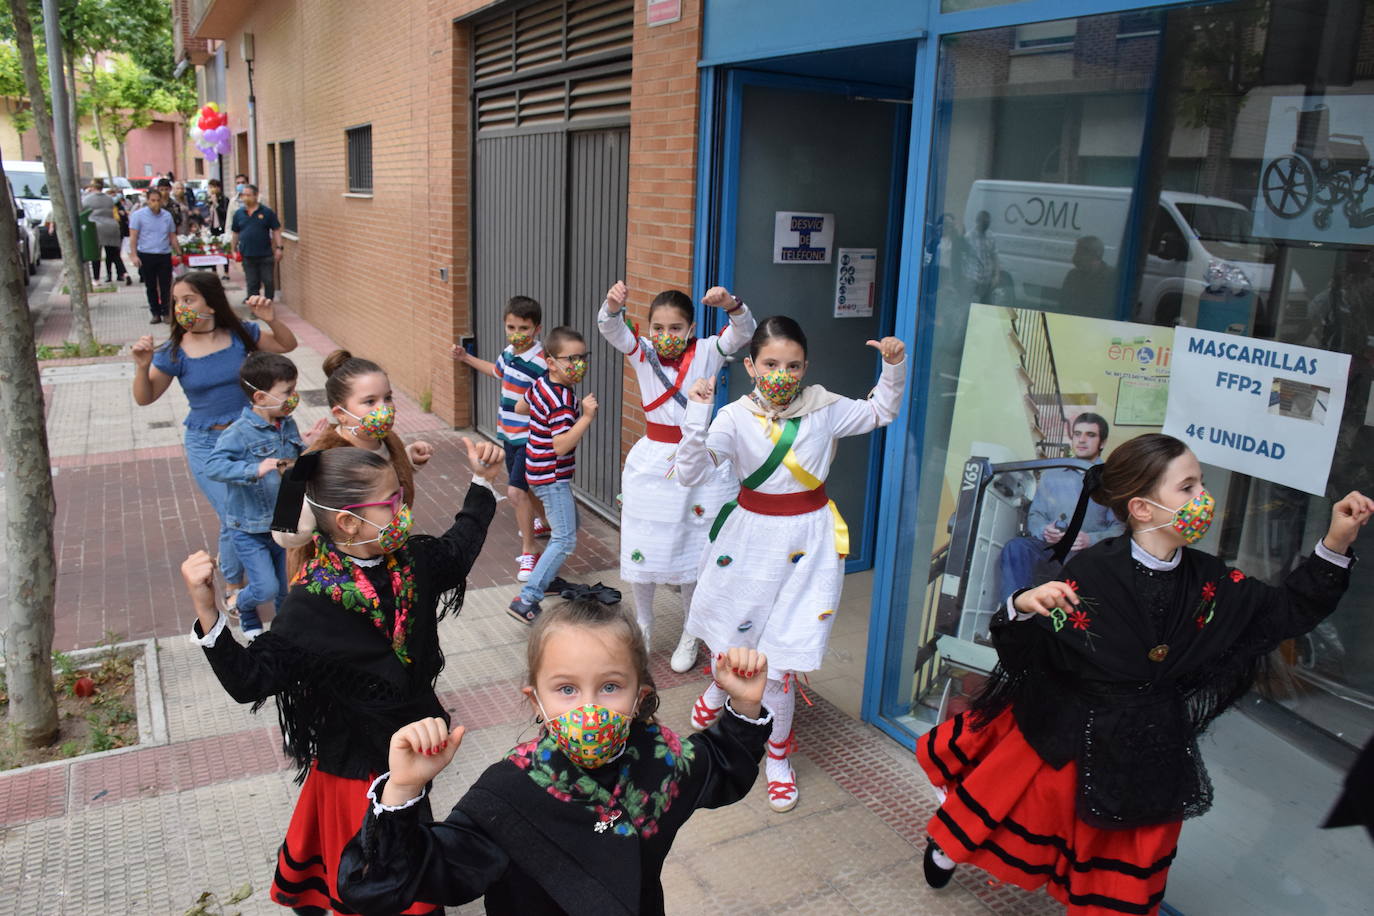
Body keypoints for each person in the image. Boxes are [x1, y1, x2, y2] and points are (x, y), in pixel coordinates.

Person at [916, 433, 1373, 913]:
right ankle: (948, 848)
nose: (1205, 499)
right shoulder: (1089, 573)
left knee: (1129, 861)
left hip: (1151, 747)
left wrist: (1336, 541)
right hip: (1069, 735)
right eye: (1189, 488)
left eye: (1201, 485)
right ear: (1142, 508)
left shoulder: (1213, 579)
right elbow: (1026, 657)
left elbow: (1284, 612)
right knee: (1019, 815)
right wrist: (1021, 607)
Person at [179, 441, 501, 915]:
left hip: (412, 745)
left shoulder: (412, 562)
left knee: (409, 846)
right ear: (349, 521)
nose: (403, 511)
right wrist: (207, 611)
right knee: (375, 880)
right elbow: (249, 679)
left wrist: (481, 482)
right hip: (356, 768)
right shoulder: (311, 604)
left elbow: (459, 548)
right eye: (392, 504)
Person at [335, 599, 773, 915]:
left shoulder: (661, 762)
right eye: (566, 689)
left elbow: (720, 767)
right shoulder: (507, 794)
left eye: (609, 687)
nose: (588, 708)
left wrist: (746, 706)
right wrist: (403, 789)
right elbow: (382, 885)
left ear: (639, 697)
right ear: (535, 700)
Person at [675, 317, 907, 813]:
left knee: (778, 662)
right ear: (751, 365)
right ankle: (720, 685)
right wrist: (697, 410)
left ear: (806, 367)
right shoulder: (733, 417)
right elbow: (692, 471)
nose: (782, 373)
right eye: (771, 364)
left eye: (793, 365)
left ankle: (776, 755)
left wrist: (892, 366)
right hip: (748, 540)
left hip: (810, 542)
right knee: (735, 636)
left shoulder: (824, 409)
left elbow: (881, 412)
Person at [597, 280, 755, 671]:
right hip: (652, 461)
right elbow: (610, 328)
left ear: (690, 327)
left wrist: (732, 304)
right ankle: (645, 627)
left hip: (699, 458)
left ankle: (690, 631)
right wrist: (612, 306)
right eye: (659, 328)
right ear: (649, 329)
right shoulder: (642, 350)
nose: (666, 336)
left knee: (695, 548)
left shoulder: (707, 349)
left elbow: (743, 332)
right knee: (645, 544)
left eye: (675, 328)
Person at [131, 273, 298, 609]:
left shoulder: (241, 334)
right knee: (231, 512)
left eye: (188, 299)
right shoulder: (174, 353)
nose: (181, 307)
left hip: (254, 437)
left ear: (210, 300)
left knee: (271, 507)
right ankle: (235, 584)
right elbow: (145, 398)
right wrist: (141, 367)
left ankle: (266, 584)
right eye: (177, 301)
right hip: (206, 443)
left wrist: (272, 320)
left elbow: (286, 345)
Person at [280, 350, 434, 581]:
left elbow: (379, 483)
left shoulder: (390, 441)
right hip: (336, 580)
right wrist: (311, 512)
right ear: (340, 414)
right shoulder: (314, 459)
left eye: (388, 397)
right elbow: (283, 531)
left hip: (387, 564)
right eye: (370, 401)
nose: (384, 409)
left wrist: (408, 460)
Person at [204, 352, 306, 639]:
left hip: (284, 523)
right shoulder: (239, 432)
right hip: (250, 529)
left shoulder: (287, 423)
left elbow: (295, 456)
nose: (293, 398)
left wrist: (311, 446)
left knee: (287, 588)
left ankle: (284, 634)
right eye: (287, 392)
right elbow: (214, 465)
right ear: (260, 398)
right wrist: (254, 468)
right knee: (266, 587)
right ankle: (242, 606)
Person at [450, 295, 551, 582]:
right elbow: (496, 372)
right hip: (509, 435)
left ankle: (530, 551)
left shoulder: (543, 362)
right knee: (528, 489)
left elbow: (551, 397)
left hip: (531, 438)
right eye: (511, 327)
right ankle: (545, 523)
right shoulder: (508, 353)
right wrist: (465, 358)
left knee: (516, 492)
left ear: (537, 329)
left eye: (524, 329)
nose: (517, 334)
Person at [507, 327, 598, 624]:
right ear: (551, 361)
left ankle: (546, 576)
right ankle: (528, 598)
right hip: (551, 475)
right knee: (565, 538)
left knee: (569, 524)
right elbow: (561, 446)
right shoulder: (560, 400)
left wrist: (540, 416)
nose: (578, 364)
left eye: (582, 357)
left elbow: (521, 406)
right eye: (570, 359)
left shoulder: (541, 384)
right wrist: (584, 417)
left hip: (536, 468)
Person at [998, 412, 1123, 603]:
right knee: (1016, 547)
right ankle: (1013, 616)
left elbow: (1121, 529)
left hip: (1087, 556)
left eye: (1090, 435)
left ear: (1102, 442)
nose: (1082, 440)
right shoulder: (1052, 474)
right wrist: (1044, 530)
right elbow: (1036, 515)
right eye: (1077, 434)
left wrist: (1090, 539)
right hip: (1050, 550)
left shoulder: (1111, 480)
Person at [129, 187, 183, 324]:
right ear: (147, 201)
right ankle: (155, 312)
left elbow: (172, 236)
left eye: (158, 200)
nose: (156, 203)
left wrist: (178, 252)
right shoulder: (138, 216)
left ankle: (166, 312)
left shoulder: (166, 216)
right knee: (151, 285)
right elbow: (133, 237)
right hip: (146, 254)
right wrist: (134, 255)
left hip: (163, 254)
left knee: (166, 286)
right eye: (153, 200)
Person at [231, 183, 283, 300]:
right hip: (247, 255)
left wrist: (279, 248)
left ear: (256, 196)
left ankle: (268, 303)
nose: (245, 198)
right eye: (243, 195)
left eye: (248, 195)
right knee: (252, 283)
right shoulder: (239, 214)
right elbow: (235, 233)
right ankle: (254, 308)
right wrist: (233, 249)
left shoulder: (267, 212)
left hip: (265, 254)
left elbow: (276, 230)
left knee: (268, 281)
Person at [81, 179, 128, 285]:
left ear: (92, 187)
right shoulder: (109, 199)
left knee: (96, 255)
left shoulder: (88, 199)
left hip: (96, 227)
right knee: (114, 254)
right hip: (112, 226)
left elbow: (81, 208)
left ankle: (96, 279)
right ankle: (125, 274)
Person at [1060, 235, 1116, 311]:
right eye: (1076, 253)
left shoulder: (1113, 278)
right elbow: (1063, 306)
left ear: (1095, 256)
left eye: (1080, 254)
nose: (1074, 259)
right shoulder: (1073, 276)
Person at [962, 209, 999, 303]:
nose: (986, 225)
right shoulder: (968, 237)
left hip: (987, 278)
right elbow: (963, 258)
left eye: (988, 223)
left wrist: (996, 275)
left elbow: (995, 257)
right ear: (977, 221)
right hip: (972, 277)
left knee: (985, 305)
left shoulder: (991, 236)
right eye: (984, 223)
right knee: (968, 304)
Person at [199, 178, 231, 278]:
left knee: (224, 249)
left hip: (222, 227)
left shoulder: (224, 200)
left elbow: (225, 213)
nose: (212, 189)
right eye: (210, 187)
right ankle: (214, 271)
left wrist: (216, 203)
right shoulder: (208, 199)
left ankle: (226, 272)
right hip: (211, 227)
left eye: (214, 187)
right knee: (212, 249)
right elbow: (203, 211)